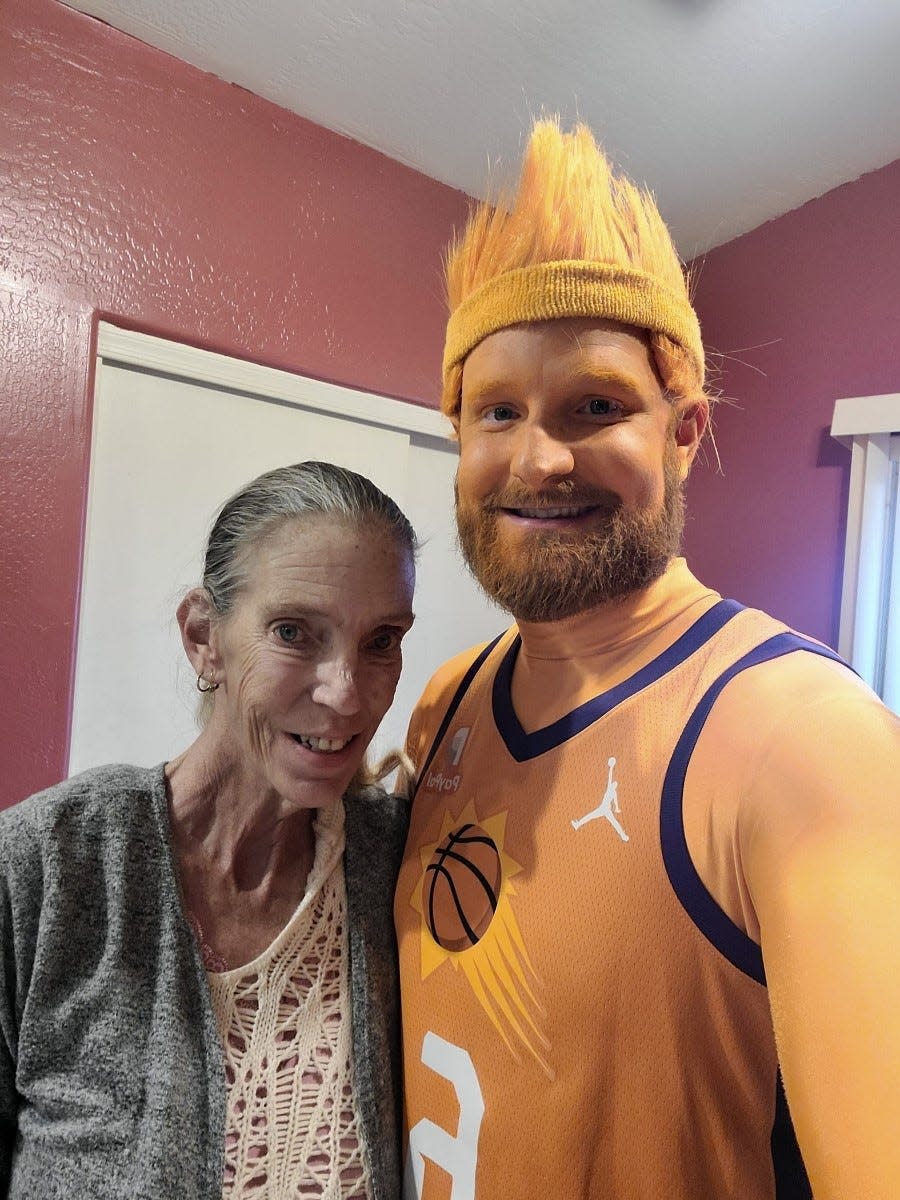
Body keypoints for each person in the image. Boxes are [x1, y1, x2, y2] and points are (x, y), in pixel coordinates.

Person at [395, 120, 900, 1200]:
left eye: (597, 407)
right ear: (459, 439)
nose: (538, 457)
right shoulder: (444, 705)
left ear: (685, 432)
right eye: (498, 413)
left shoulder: (804, 740)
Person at [0, 460, 417, 1199]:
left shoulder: (398, 864)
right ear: (203, 637)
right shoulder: (46, 866)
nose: (346, 694)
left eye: (381, 640)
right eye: (294, 632)